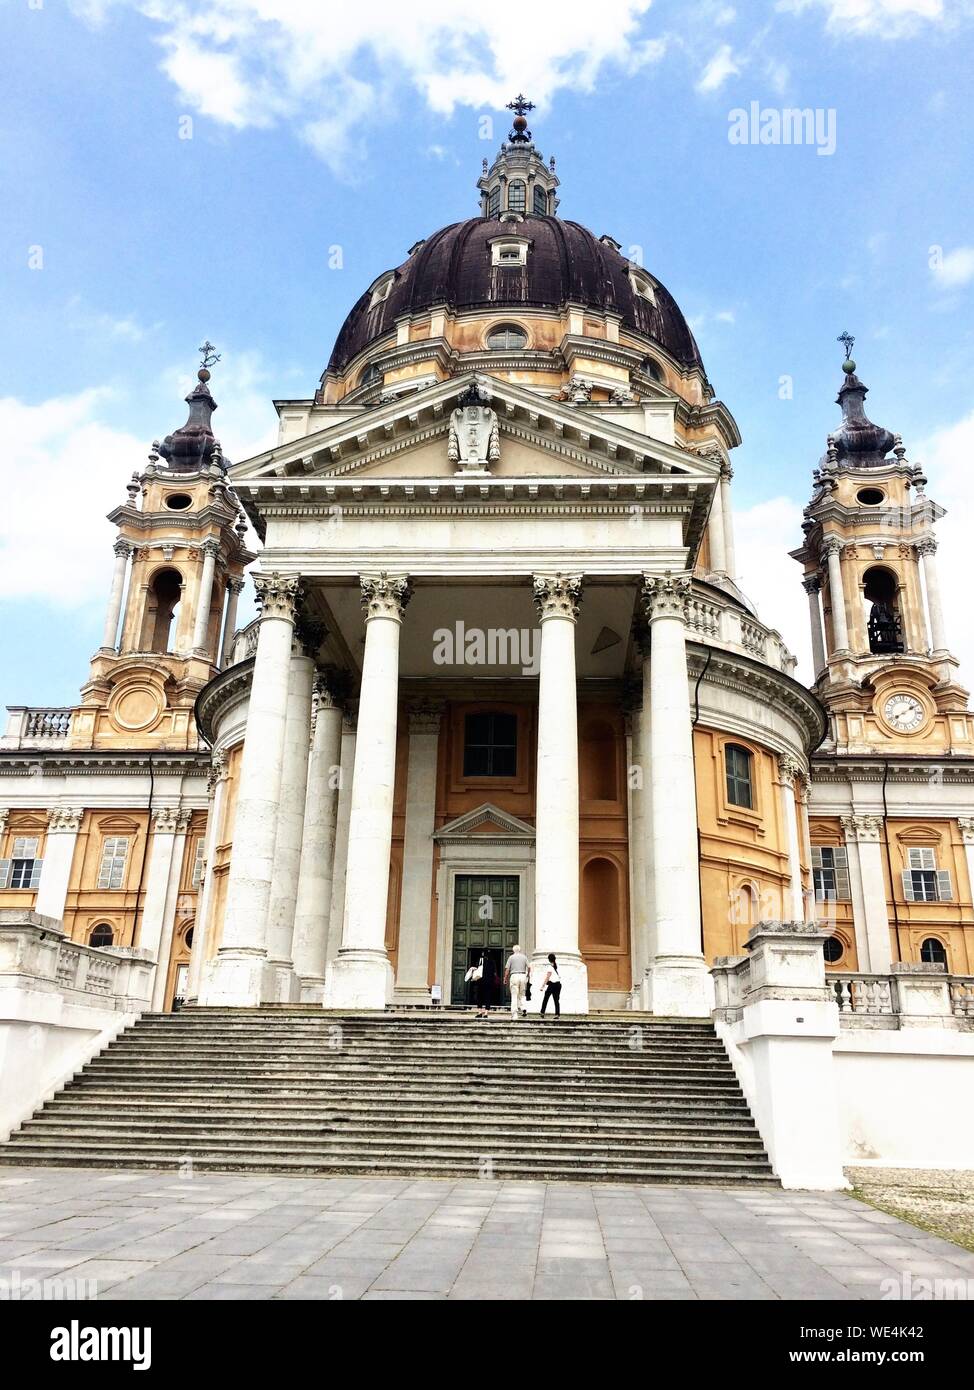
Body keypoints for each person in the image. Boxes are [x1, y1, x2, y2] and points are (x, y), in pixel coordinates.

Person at [504, 945, 530, 1020]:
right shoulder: (524, 957)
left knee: (514, 995)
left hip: (514, 976)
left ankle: (514, 1014)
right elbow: (529, 967)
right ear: (520, 950)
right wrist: (527, 975)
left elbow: (507, 969)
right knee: (522, 994)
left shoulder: (511, 957)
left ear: (513, 950)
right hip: (523, 976)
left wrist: (505, 978)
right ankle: (523, 1008)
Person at [540, 953, 562, 1018]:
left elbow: (547, 977)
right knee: (556, 1000)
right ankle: (557, 1014)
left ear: (549, 960)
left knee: (546, 998)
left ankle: (542, 1012)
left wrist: (542, 986)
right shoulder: (556, 966)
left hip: (552, 985)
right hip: (558, 984)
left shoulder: (550, 967)